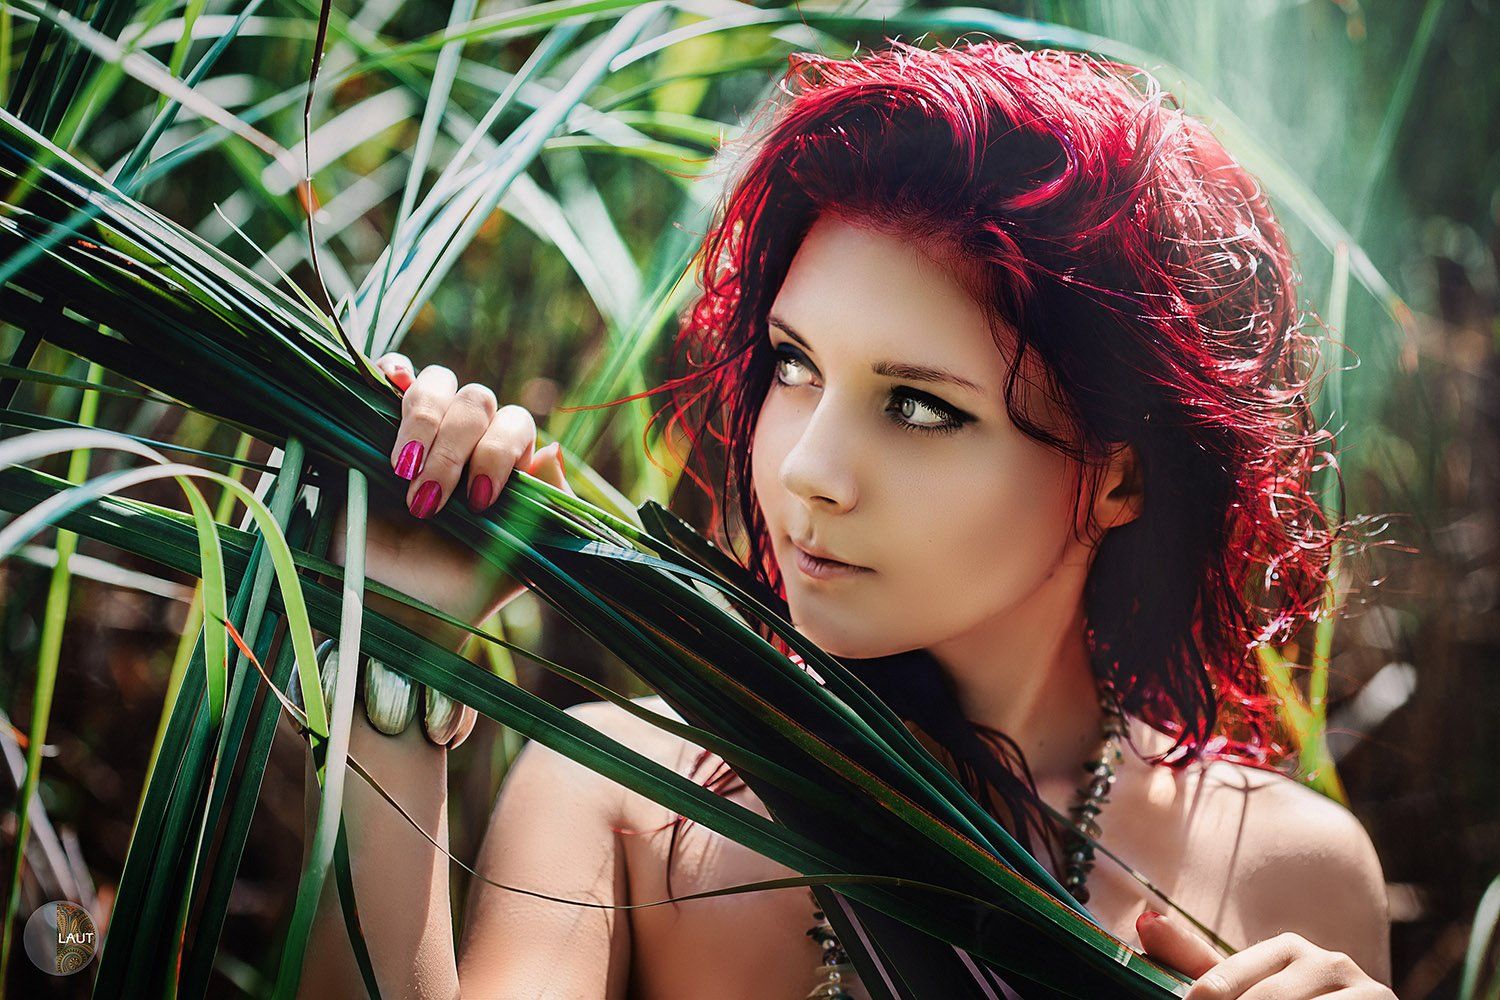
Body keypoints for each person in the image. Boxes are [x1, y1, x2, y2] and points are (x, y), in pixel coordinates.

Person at [298, 38, 1395, 999]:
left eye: (918, 406)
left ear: (1118, 480)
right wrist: (395, 648)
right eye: (794, 364)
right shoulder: (621, 797)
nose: (808, 470)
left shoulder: (1288, 874)